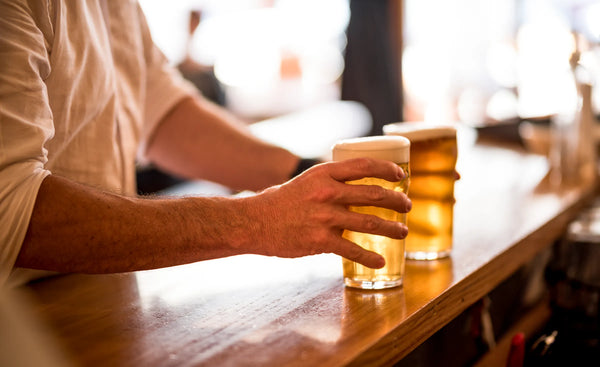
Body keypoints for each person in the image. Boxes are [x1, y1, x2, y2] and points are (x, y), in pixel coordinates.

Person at [0, 1, 411, 288]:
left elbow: (158, 108)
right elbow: (11, 206)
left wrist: (310, 176)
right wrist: (258, 221)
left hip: (100, 297)